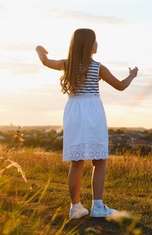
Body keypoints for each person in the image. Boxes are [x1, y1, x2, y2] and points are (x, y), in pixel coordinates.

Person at [36, 28, 138, 219]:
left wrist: (39, 48)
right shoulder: (98, 67)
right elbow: (120, 86)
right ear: (88, 45)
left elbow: (44, 60)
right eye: (95, 41)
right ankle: (97, 206)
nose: (97, 44)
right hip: (92, 112)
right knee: (99, 161)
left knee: (77, 162)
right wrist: (132, 75)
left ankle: (75, 208)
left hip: (74, 113)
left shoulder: (66, 65)